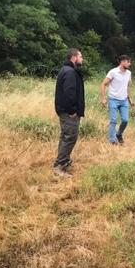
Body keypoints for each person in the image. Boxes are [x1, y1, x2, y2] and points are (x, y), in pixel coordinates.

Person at [52, 48, 85, 177]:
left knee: (65, 136)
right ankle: (60, 166)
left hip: (64, 111)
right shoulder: (70, 72)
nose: (82, 59)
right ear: (73, 57)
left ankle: (63, 162)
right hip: (68, 112)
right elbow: (69, 93)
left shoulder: (66, 70)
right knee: (69, 137)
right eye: (80, 56)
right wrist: (72, 111)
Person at [100, 55, 135, 144]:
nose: (129, 64)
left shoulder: (128, 73)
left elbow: (128, 86)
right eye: (128, 62)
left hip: (124, 101)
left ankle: (119, 134)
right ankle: (112, 140)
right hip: (113, 100)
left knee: (125, 120)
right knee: (113, 120)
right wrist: (103, 98)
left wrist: (130, 98)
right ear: (122, 62)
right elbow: (103, 84)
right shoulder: (113, 72)